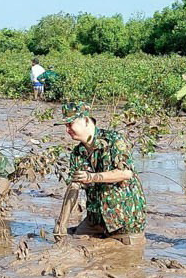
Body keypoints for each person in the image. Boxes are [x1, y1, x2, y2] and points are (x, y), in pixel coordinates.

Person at [56, 102, 146, 245]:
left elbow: (126, 173)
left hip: (123, 218)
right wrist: (61, 224)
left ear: (85, 120)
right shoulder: (77, 153)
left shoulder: (114, 140)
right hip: (95, 219)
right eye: (65, 126)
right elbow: (73, 188)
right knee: (75, 244)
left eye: (70, 124)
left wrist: (92, 177)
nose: (67, 130)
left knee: (126, 258)